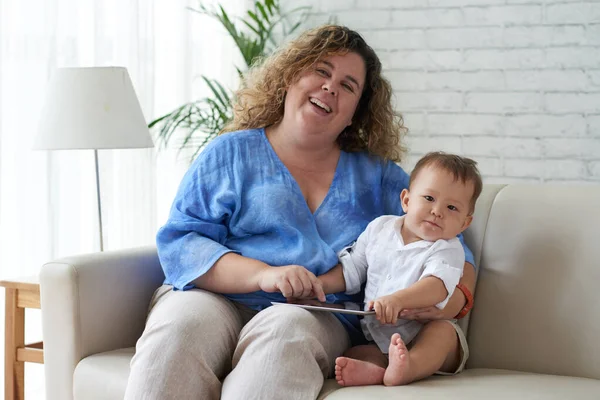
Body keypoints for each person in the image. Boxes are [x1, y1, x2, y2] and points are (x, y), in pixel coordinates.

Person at [124, 25, 477, 400]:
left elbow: (454, 248)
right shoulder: (228, 154)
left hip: (317, 315)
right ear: (291, 76)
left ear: (357, 112)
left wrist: (452, 304)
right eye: (321, 71)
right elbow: (183, 243)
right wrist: (265, 275)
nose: (330, 87)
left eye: (348, 86)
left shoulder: (379, 179)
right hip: (212, 296)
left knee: (284, 332)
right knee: (179, 328)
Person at [318, 152, 482, 387]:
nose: (437, 211)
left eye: (452, 207)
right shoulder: (379, 229)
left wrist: (398, 299)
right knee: (357, 353)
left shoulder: (447, 249)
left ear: (464, 223)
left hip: (423, 333)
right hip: (379, 337)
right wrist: (320, 285)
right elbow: (352, 269)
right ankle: (379, 371)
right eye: (428, 198)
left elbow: (437, 286)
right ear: (406, 200)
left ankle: (410, 367)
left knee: (442, 334)